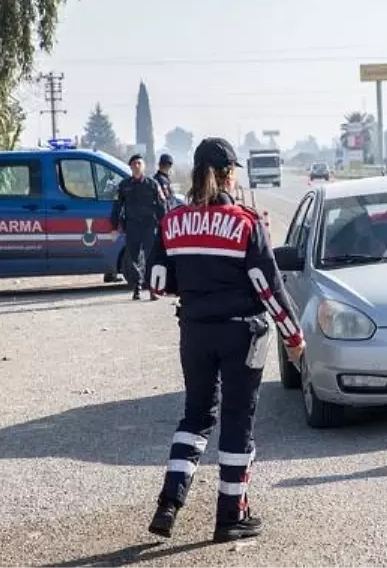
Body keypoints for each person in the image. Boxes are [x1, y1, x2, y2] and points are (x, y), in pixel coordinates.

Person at [144, 137, 306, 542]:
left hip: (194, 331)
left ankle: (169, 503)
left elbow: (158, 282)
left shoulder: (172, 221)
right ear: (229, 173)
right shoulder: (246, 222)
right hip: (241, 333)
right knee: (237, 421)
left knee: (195, 417)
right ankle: (231, 515)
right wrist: (294, 336)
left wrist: (196, 289)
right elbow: (269, 288)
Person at [110, 154, 167, 301]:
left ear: (144, 166)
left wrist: (164, 224)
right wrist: (114, 226)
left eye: (139, 164)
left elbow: (161, 206)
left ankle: (152, 290)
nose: (136, 166)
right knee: (133, 258)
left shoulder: (152, 184)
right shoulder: (124, 185)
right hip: (132, 226)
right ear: (130, 167)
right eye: (134, 164)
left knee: (150, 257)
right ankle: (137, 287)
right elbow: (117, 207)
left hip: (149, 225)